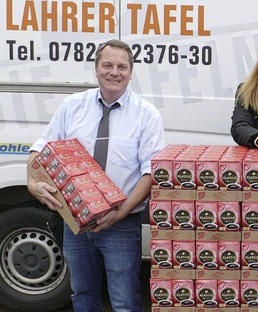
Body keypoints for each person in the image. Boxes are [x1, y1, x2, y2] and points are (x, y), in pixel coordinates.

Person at [27, 39, 165, 312]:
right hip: (74, 222)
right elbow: (41, 148)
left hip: (121, 224)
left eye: (121, 66)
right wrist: (32, 181)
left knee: (125, 301)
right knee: (83, 295)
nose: (115, 72)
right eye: (108, 65)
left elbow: (152, 172)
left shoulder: (147, 115)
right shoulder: (72, 106)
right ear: (96, 69)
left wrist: (121, 212)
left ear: (131, 72)